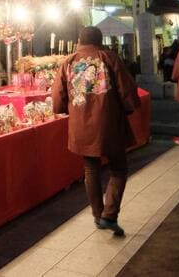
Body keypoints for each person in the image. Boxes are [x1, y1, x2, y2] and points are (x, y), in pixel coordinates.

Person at [52, 26, 140, 237]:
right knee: (118, 168)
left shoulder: (68, 62)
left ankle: (98, 215)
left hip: (81, 125)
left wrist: (67, 109)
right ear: (99, 41)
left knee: (90, 170)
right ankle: (109, 214)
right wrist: (129, 107)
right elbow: (126, 89)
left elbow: (58, 98)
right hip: (109, 123)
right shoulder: (108, 58)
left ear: (80, 40)